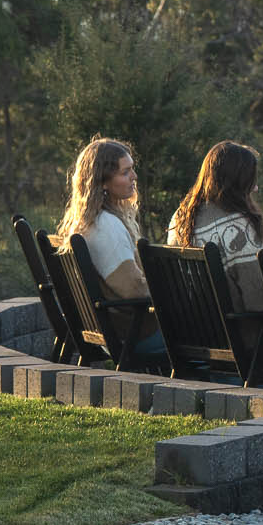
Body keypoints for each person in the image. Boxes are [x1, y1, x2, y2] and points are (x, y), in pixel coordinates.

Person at [55, 135, 165, 358]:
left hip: (113, 331)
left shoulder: (89, 221)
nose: (134, 177)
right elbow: (133, 289)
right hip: (135, 335)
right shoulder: (106, 227)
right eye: (125, 172)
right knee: (209, 333)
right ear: (103, 181)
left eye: (132, 169)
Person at [167, 140, 263, 316]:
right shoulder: (239, 227)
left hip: (192, 333)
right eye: (251, 181)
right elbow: (260, 301)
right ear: (239, 183)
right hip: (243, 336)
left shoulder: (181, 217)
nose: (255, 188)